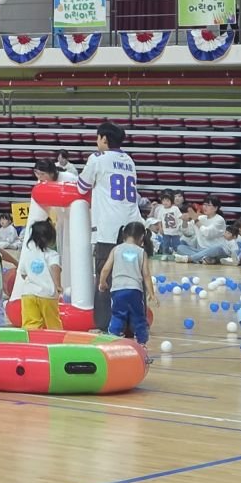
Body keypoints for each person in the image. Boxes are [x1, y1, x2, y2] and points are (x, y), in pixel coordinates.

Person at [78, 120, 142, 331]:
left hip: (109, 229)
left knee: (104, 276)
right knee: (131, 277)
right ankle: (133, 325)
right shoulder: (129, 160)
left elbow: (82, 186)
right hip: (132, 226)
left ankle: (105, 325)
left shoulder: (98, 158)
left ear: (103, 139)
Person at [98, 221, 155, 352]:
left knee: (117, 315)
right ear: (142, 237)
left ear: (124, 234)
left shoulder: (116, 249)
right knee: (139, 317)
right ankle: (142, 343)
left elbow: (105, 269)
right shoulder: (141, 252)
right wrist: (152, 293)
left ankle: (112, 339)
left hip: (118, 290)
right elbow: (146, 275)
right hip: (135, 290)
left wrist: (102, 282)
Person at [15, 219, 62, 330]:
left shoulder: (27, 254)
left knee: (31, 324)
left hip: (28, 294)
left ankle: (31, 340)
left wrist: (33, 278)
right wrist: (58, 285)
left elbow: (23, 274)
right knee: (53, 324)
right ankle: (55, 340)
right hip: (47, 294)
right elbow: (55, 268)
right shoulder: (52, 255)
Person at [176, 196, 227, 264]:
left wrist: (195, 219)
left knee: (217, 249)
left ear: (215, 208)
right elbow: (187, 233)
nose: (205, 207)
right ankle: (203, 259)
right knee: (180, 247)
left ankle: (190, 258)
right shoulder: (201, 218)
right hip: (200, 250)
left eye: (208, 205)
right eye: (204, 204)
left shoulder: (219, 220)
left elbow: (207, 233)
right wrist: (184, 221)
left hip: (215, 251)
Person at [156, 192, 182, 260]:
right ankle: (165, 254)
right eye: (163, 200)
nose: (165, 202)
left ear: (171, 201)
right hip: (166, 231)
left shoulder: (175, 208)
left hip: (175, 231)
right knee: (165, 244)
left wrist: (180, 226)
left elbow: (180, 217)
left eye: (167, 201)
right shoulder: (161, 209)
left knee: (176, 244)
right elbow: (159, 220)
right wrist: (160, 228)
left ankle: (177, 254)